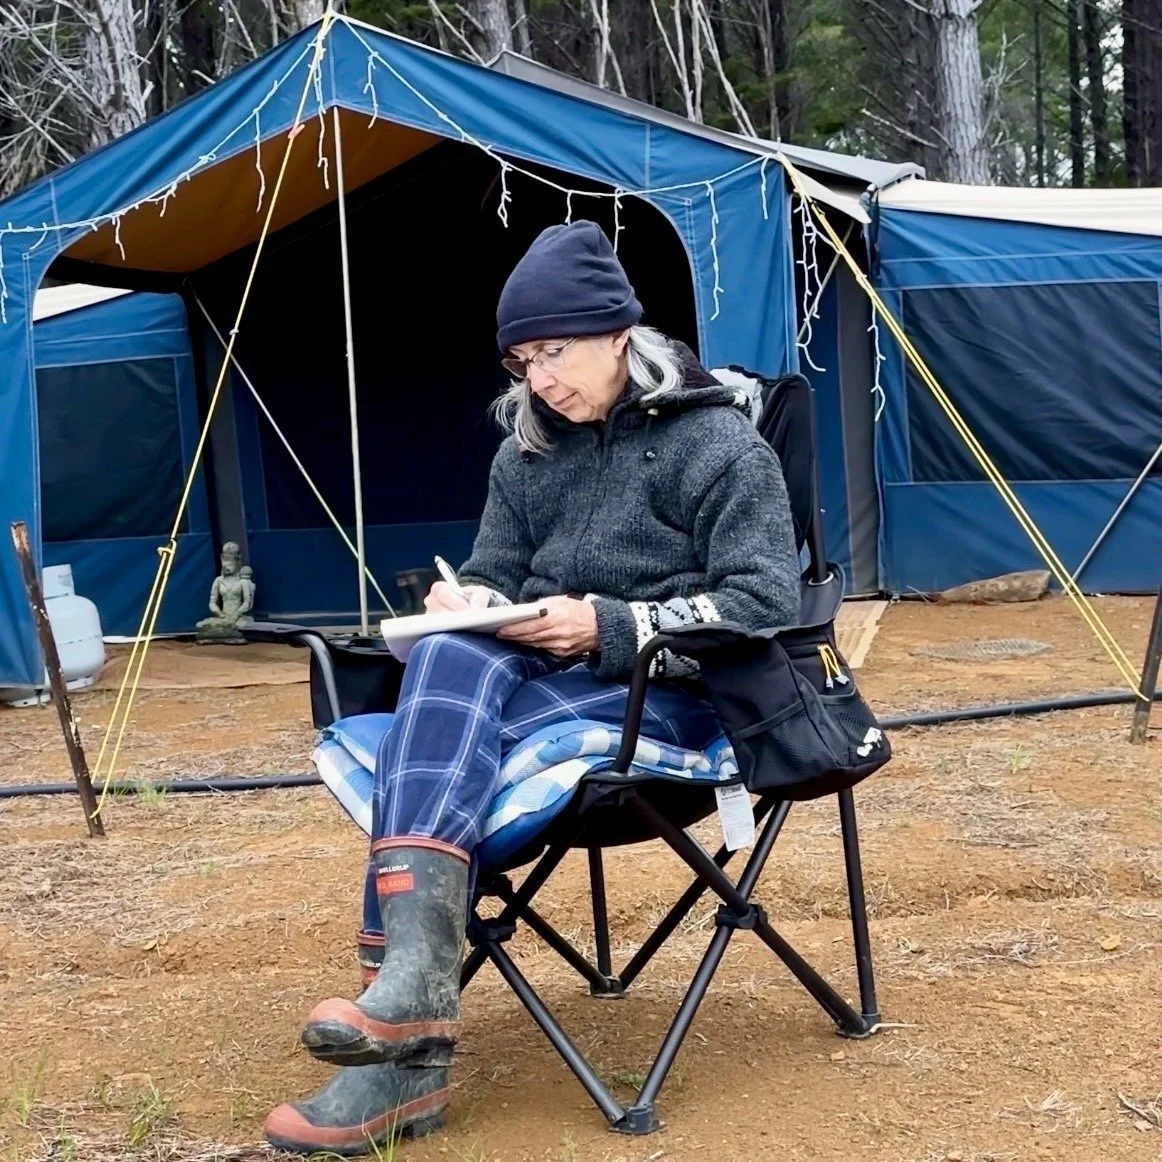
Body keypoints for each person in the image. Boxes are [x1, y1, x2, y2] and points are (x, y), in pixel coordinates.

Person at [263, 221, 801, 1155]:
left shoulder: (718, 446)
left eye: (555, 353)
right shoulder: (526, 454)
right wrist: (470, 600)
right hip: (535, 674)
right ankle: (416, 1002)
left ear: (619, 335)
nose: (538, 379)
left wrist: (607, 624)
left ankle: (400, 1057)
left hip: (661, 689)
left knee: (432, 740)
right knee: (444, 658)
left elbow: (763, 601)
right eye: (522, 360)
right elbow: (497, 574)